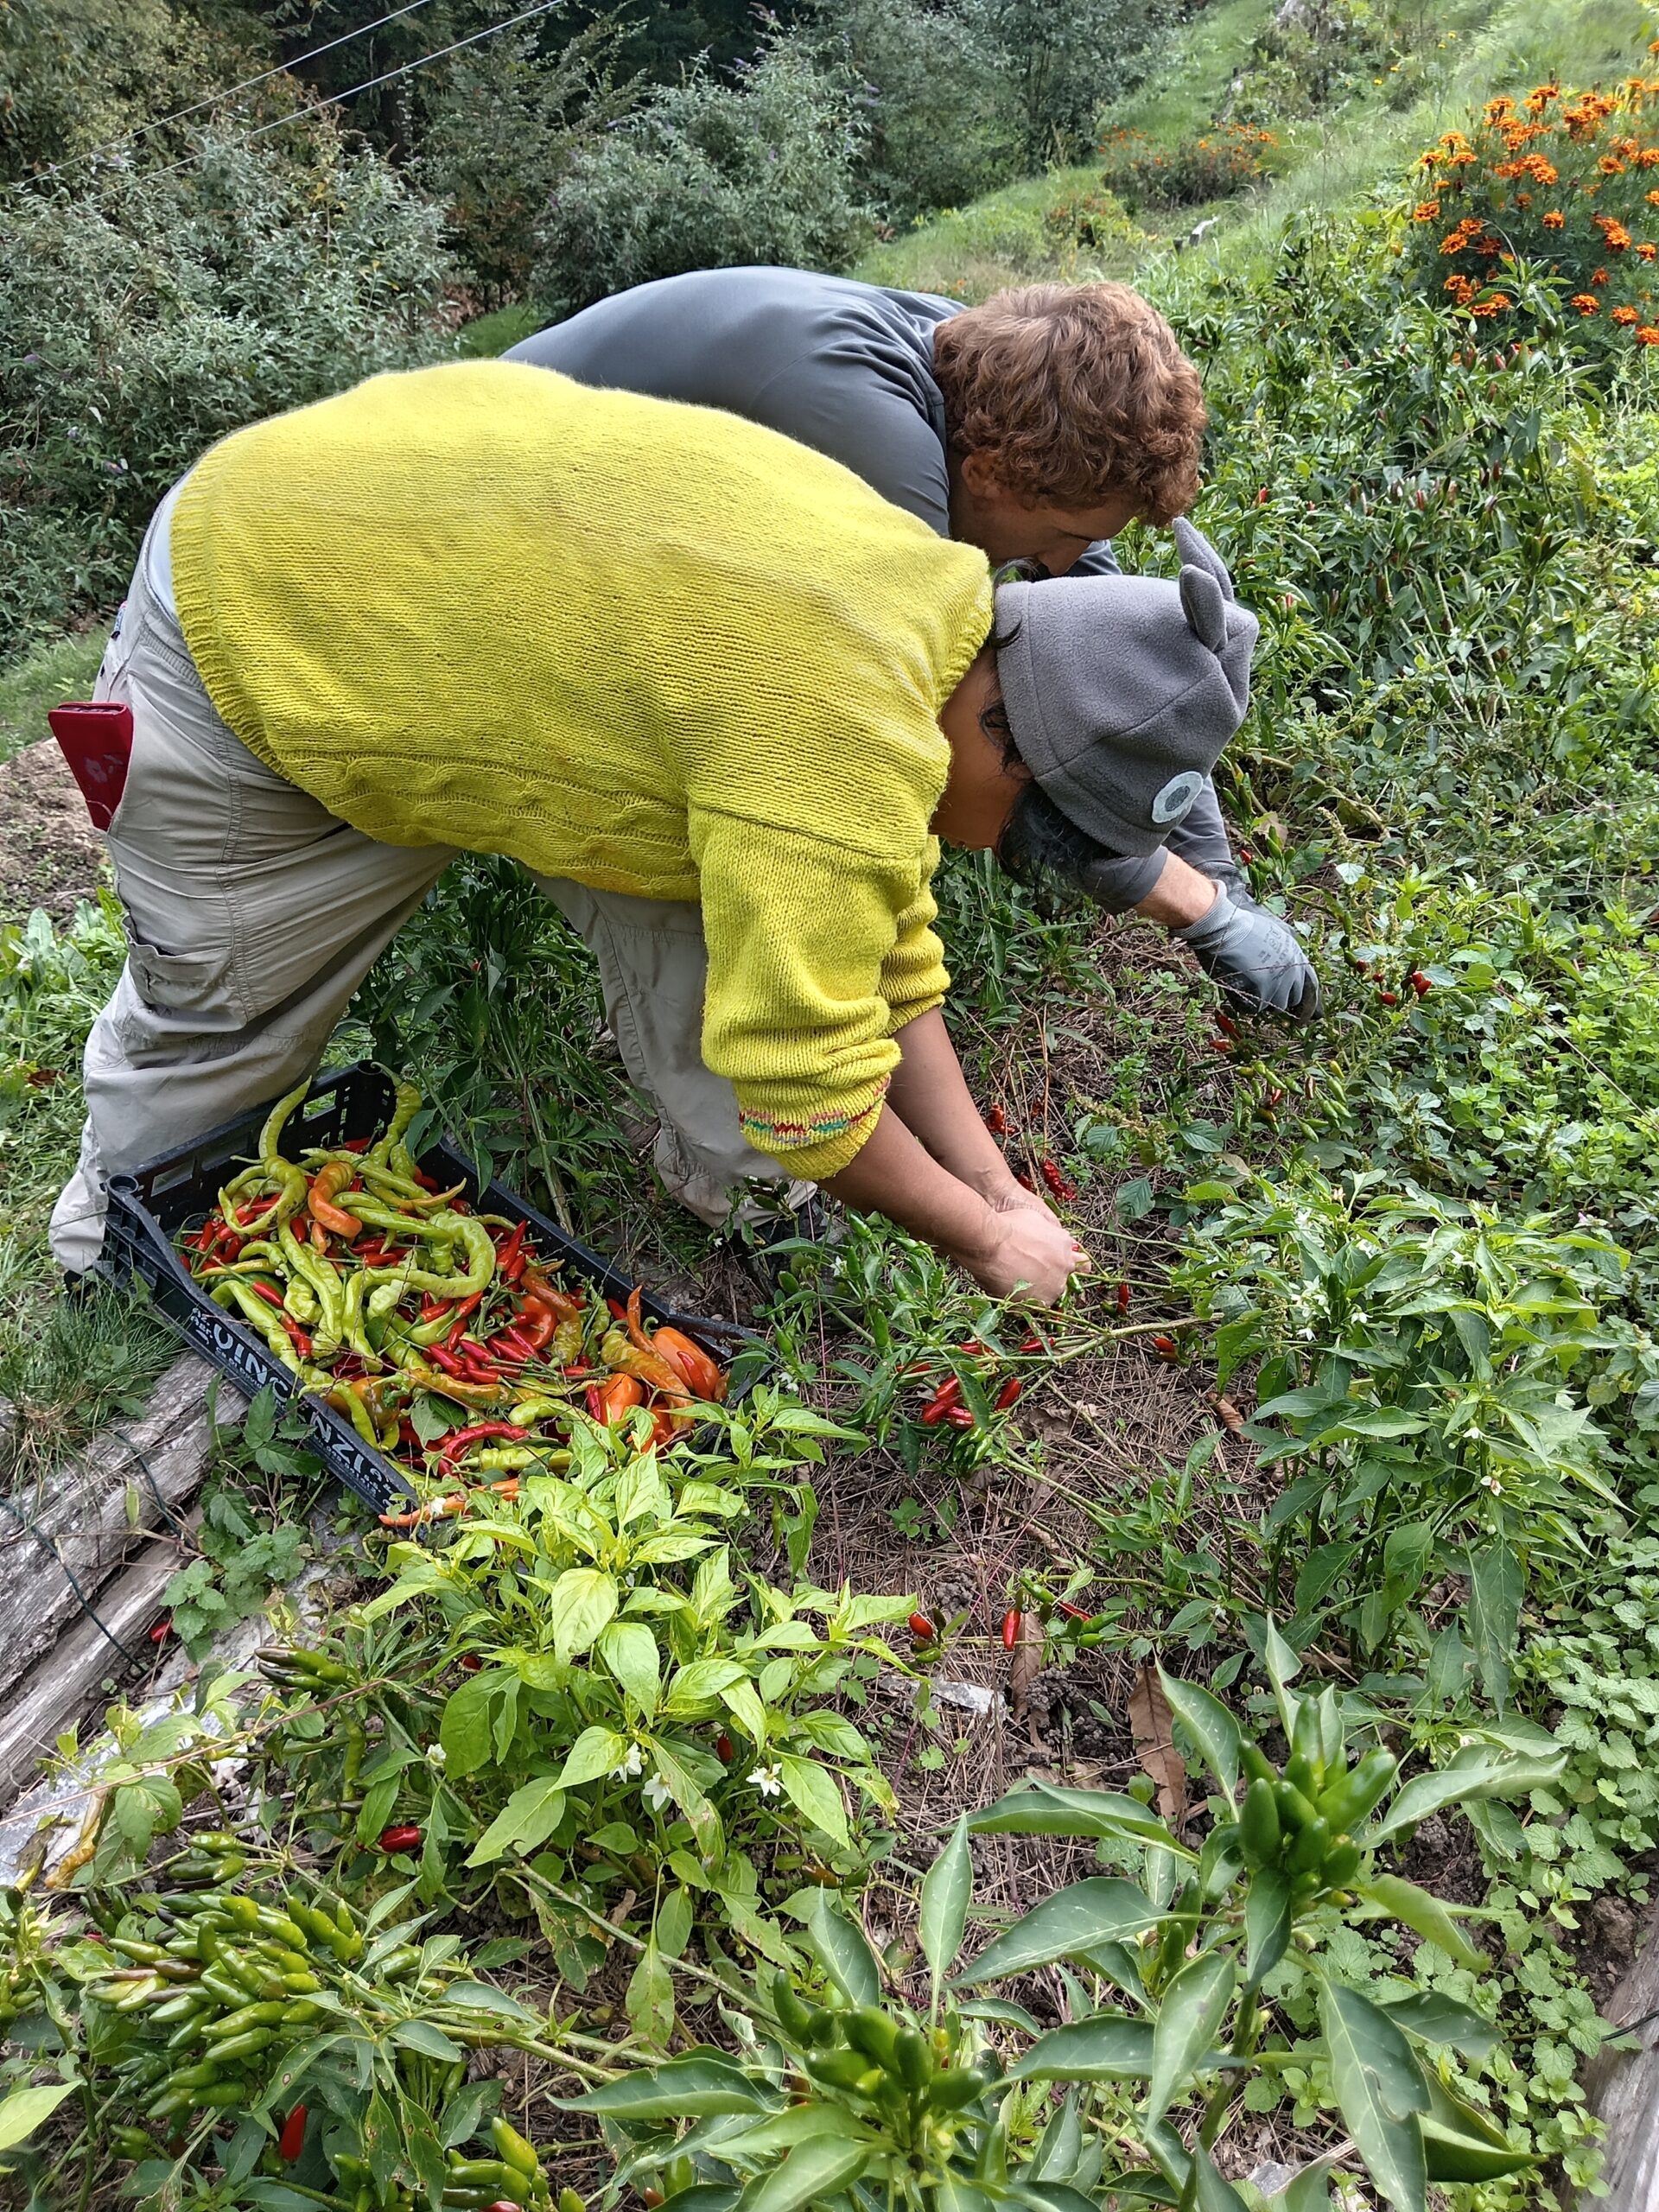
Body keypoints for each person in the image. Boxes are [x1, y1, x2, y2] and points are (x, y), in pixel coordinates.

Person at [49, 359, 1258, 1302]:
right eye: (1027, 832)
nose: (996, 850)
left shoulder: (923, 605)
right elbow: (813, 1098)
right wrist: (983, 1247)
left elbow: (889, 961)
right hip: (261, 610)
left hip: (430, 593)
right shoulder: (826, 733)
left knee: (709, 915)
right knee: (221, 1010)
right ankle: (109, 1261)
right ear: (1006, 733)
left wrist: (995, 1189)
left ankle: (746, 1205)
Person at [509, 269, 1319, 1024]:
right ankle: (759, 1158)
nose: (1066, 565)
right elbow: (958, 742)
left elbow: (1125, 670)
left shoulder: (997, 382)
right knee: (739, 891)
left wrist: (1222, 881)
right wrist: (1196, 911)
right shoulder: (882, 466)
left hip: (592, 568)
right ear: (994, 477)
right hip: (479, 576)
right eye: (1069, 536)